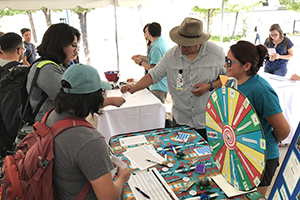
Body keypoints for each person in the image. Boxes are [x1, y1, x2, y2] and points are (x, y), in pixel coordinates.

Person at [121, 17, 226, 140]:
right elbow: (153, 75)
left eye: (186, 46)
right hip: (182, 120)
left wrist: (210, 86)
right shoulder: (171, 56)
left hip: (209, 121)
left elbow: (228, 77)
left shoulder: (216, 54)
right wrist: (133, 88)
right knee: (182, 156)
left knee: (208, 156)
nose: (181, 47)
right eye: (179, 43)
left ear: (198, 43)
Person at [47, 63, 131, 199]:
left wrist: (109, 101)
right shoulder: (89, 141)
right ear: (94, 98)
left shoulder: (52, 116)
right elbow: (108, 197)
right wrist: (122, 177)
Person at [224, 40, 290, 197]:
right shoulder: (231, 83)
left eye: (229, 62)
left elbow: (284, 129)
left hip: (261, 158)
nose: (225, 65)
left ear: (246, 66)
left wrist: (264, 141)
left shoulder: (261, 91)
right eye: (225, 60)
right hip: (240, 152)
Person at [27, 23, 125, 123]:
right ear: (59, 45)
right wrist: (109, 101)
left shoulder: (60, 65)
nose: (75, 52)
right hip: (50, 129)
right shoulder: (46, 70)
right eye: (73, 46)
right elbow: (73, 102)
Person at [131, 22, 169, 103]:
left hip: (158, 87)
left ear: (148, 33)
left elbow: (153, 69)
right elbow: (155, 62)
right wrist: (141, 57)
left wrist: (140, 62)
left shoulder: (156, 47)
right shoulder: (161, 43)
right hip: (161, 85)